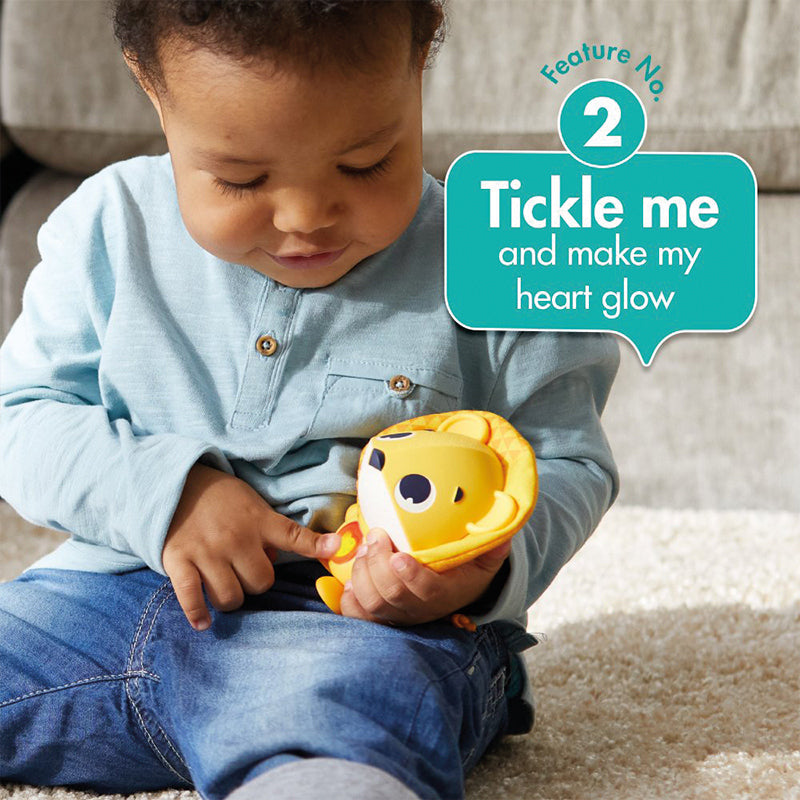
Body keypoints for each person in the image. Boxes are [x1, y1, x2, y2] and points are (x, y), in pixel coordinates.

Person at [0, 2, 619, 799]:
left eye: (364, 165)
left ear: (419, 61)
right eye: (240, 178)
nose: (304, 219)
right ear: (150, 85)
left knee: (351, 720)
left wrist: (476, 571)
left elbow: (566, 459)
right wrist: (168, 494)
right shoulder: (107, 225)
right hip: (101, 597)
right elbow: (20, 414)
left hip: (356, 629)